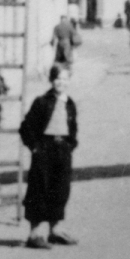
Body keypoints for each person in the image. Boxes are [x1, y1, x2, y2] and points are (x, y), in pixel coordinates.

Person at [19, 64, 78, 249]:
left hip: (62, 150)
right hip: (44, 148)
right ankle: (34, 233)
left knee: (60, 188)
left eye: (65, 78)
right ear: (51, 80)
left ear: (69, 80)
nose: (61, 82)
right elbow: (26, 128)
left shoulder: (70, 103)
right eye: (57, 78)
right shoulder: (42, 101)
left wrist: (69, 145)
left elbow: (73, 128)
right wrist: (35, 148)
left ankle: (55, 230)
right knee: (40, 188)